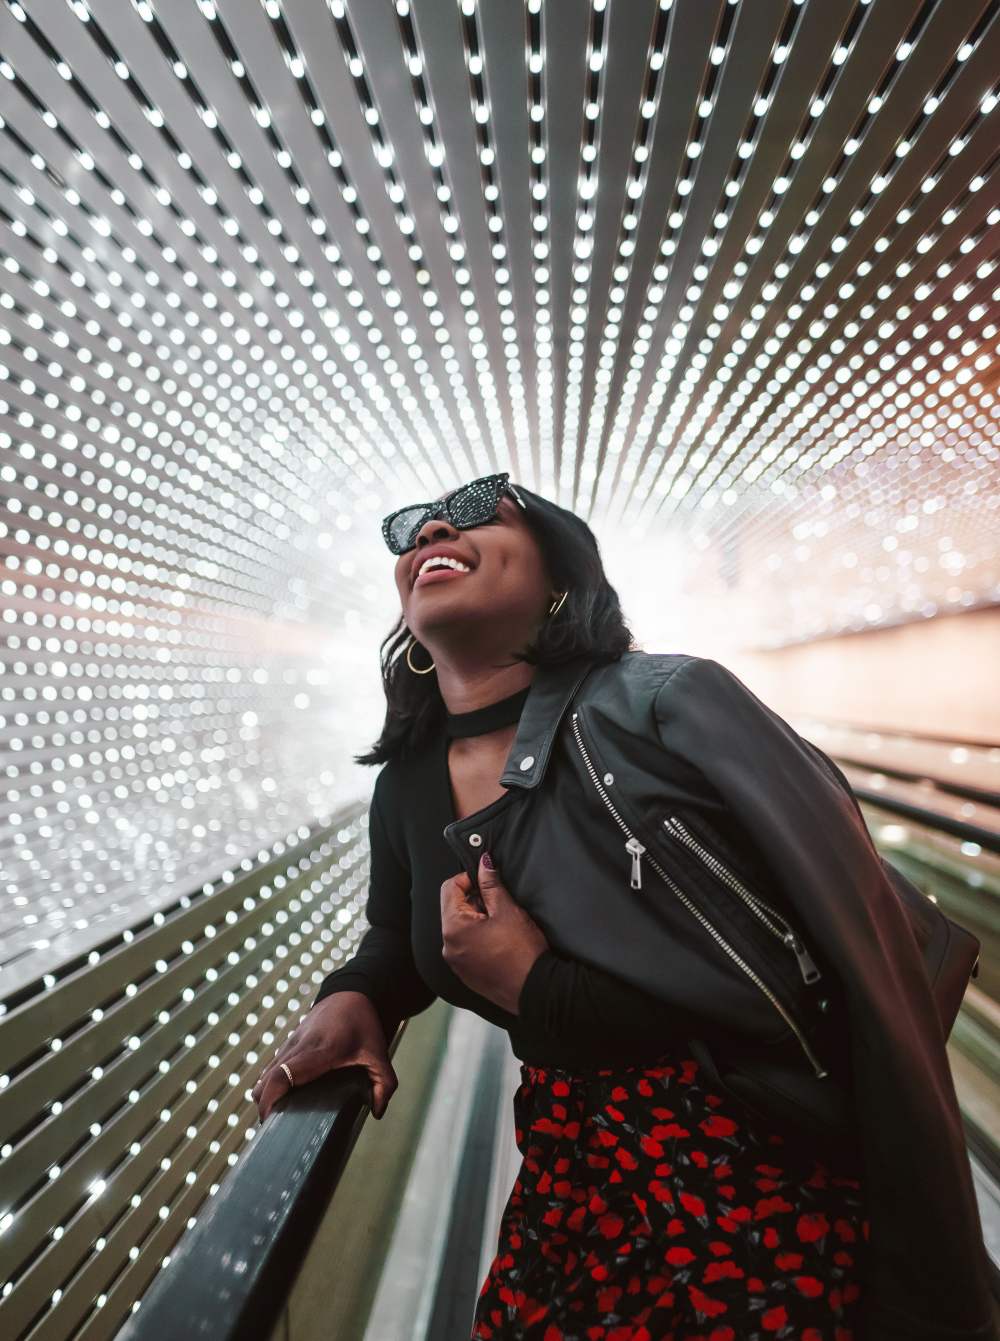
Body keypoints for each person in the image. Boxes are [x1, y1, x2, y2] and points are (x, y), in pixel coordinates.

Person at [251, 473, 995, 1340]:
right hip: (572, 1178)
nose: (432, 530)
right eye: (410, 529)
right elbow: (396, 928)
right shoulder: (409, 786)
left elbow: (834, 961)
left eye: (479, 506)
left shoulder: (670, 705)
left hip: (753, 1171)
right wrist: (357, 995)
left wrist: (536, 987)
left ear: (563, 572)